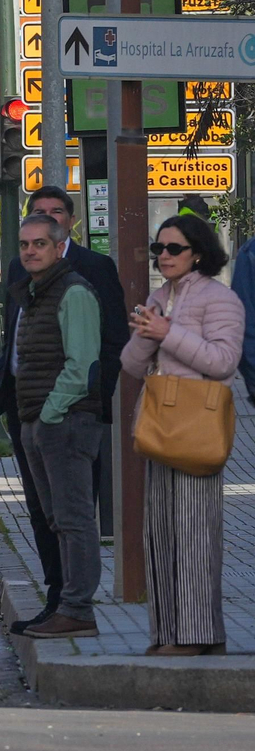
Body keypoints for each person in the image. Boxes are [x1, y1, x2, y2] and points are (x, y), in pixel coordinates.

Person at [0, 185, 127, 629]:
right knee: (51, 518)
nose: (30, 251)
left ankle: (75, 608)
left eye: (40, 242)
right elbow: (12, 344)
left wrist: (50, 415)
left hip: (63, 420)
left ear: (62, 241)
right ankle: (58, 602)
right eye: (25, 244)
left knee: (74, 518)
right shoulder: (29, 286)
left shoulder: (78, 286)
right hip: (32, 418)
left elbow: (88, 358)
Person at [125, 214, 242, 655]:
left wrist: (168, 333)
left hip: (196, 428)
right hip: (159, 426)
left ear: (198, 252)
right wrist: (147, 333)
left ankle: (197, 636)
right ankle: (168, 634)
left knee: (194, 536)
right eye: (159, 249)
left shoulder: (220, 298)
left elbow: (223, 361)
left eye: (174, 248)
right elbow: (133, 366)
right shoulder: (160, 296)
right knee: (159, 536)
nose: (164, 257)